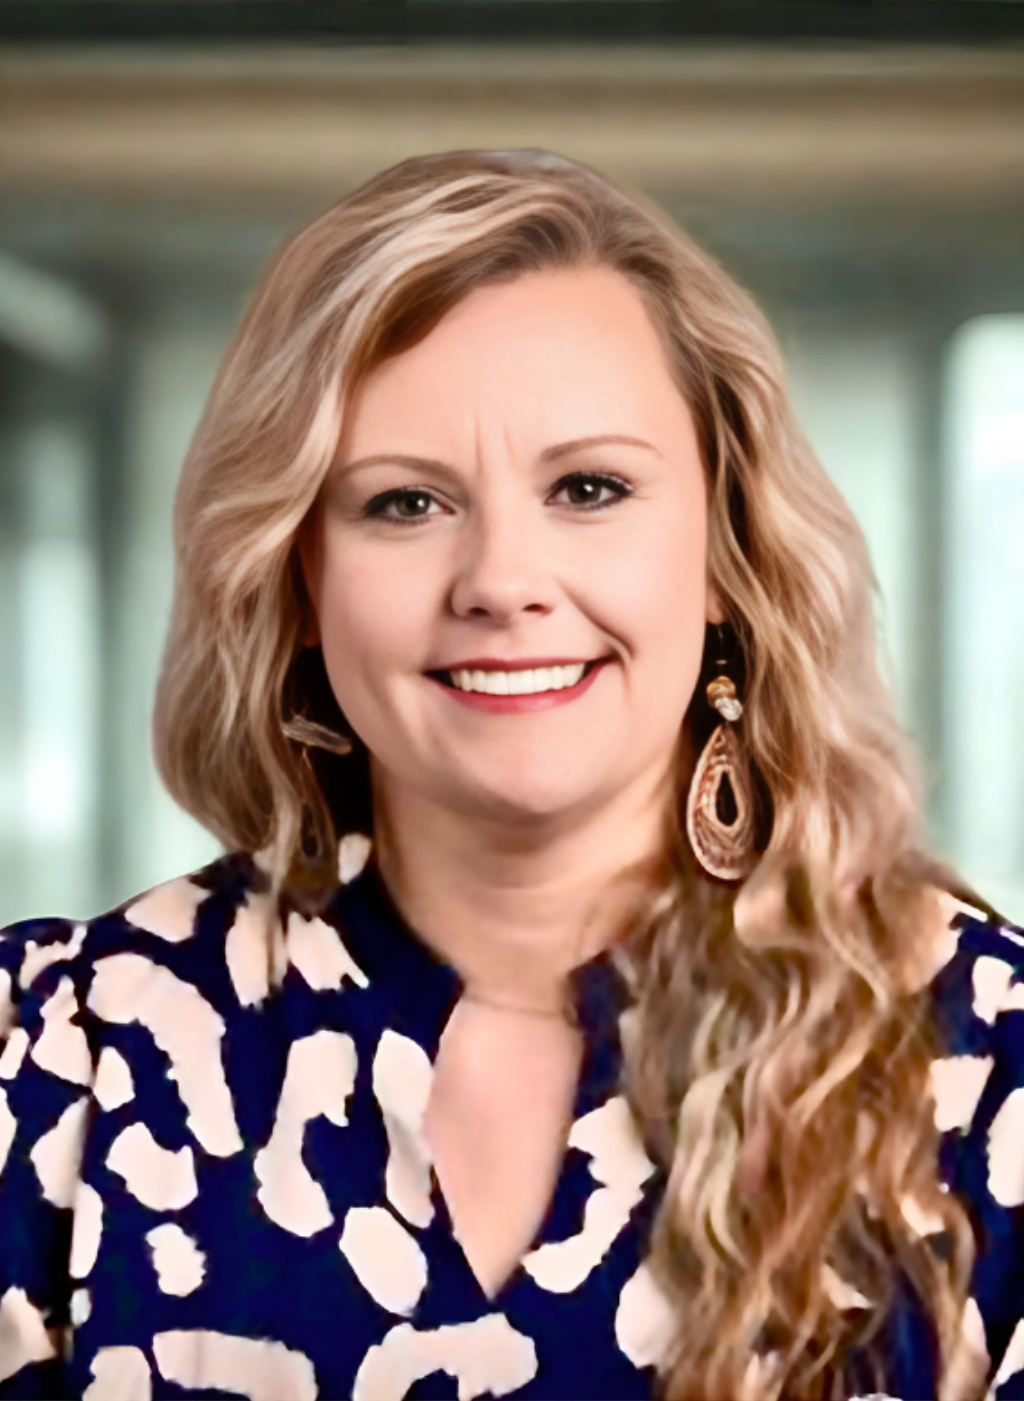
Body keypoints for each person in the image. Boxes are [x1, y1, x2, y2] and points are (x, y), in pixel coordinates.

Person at [0, 147, 1021, 1401]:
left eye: (589, 489)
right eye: (403, 505)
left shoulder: (985, 1067)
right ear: (297, 579)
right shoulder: (57, 1058)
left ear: (721, 555)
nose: (500, 582)